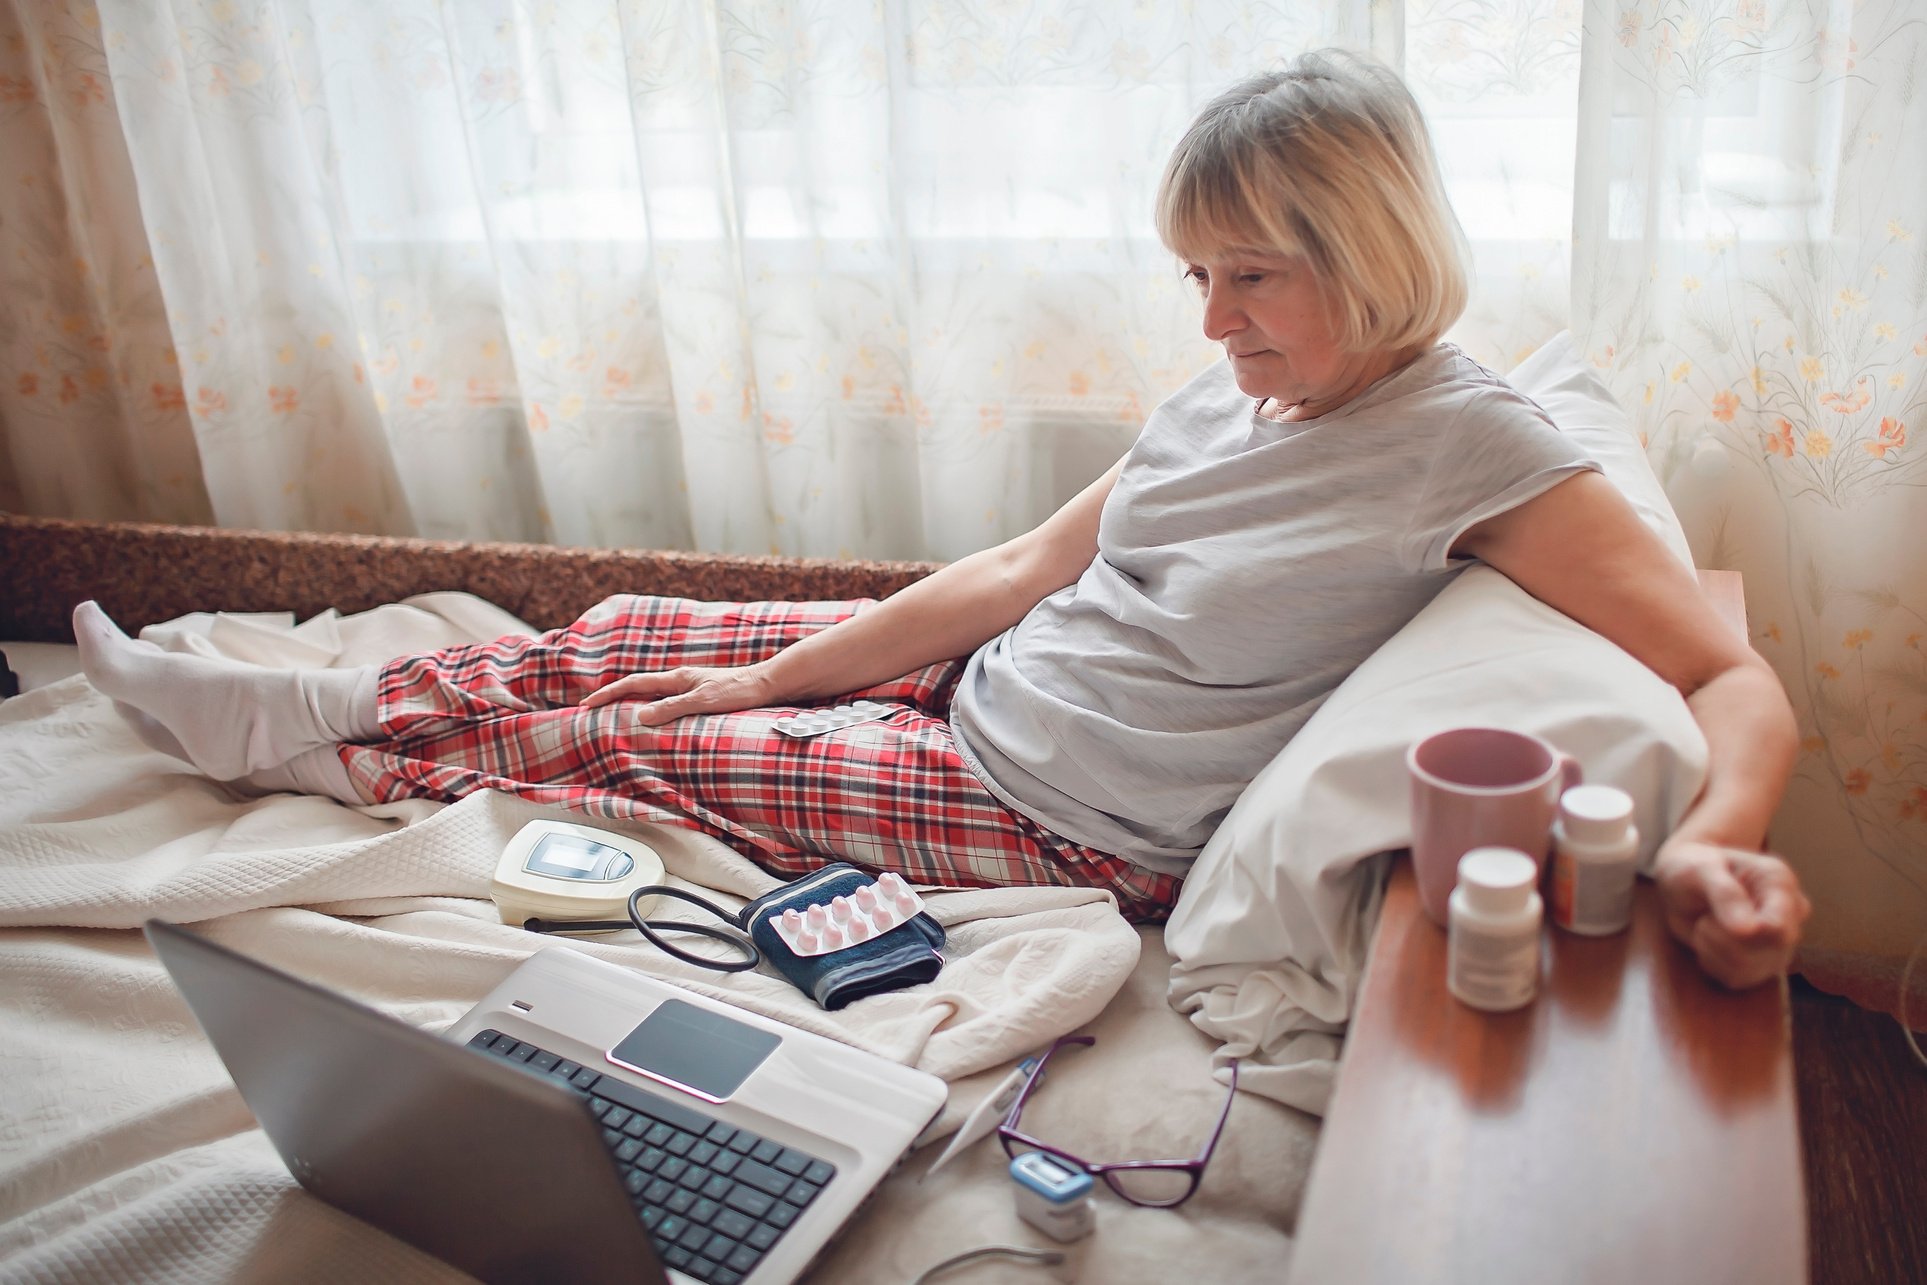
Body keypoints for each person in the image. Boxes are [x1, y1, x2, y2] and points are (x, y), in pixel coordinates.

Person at [75, 49, 1806, 988]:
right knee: (627, 639)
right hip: (980, 686)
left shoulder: (1472, 453)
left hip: (1057, 813)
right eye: (1197, 275)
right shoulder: (1250, 386)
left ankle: (305, 745)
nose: (1210, 319)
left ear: (1371, 250)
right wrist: (785, 673)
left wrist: (1725, 835)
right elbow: (1013, 570)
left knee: (624, 745)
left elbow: (1736, 685)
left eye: (1252, 275)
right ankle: (340, 698)